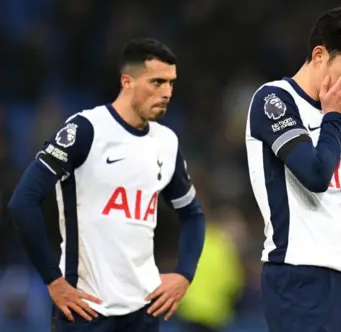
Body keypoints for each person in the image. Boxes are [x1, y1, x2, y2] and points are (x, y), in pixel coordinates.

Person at [7, 38, 206, 332]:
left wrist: (184, 274)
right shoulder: (86, 129)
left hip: (143, 313)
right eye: (157, 82)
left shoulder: (167, 142)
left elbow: (193, 214)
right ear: (127, 81)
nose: (167, 93)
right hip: (86, 311)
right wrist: (53, 279)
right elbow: (22, 202)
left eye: (171, 84)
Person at [245, 7, 341, 332]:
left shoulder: (337, 117)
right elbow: (314, 175)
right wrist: (336, 118)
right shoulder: (274, 100)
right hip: (300, 271)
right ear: (320, 54)